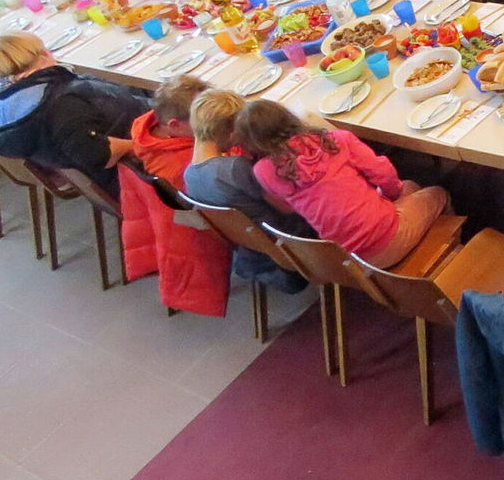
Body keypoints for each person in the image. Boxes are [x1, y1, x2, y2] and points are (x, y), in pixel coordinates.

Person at [236, 100, 449, 269]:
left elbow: (290, 207)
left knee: (409, 187)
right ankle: (448, 252)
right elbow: (384, 174)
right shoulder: (335, 140)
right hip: (387, 239)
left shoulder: (263, 171)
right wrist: (392, 195)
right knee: (438, 193)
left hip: (349, 256)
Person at [0, 32, 148, 194]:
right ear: (42, 55)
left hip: (105, 178)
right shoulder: (60, 100)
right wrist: (143, 145)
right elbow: (98, 155)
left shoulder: (11, 105)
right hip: (138, 172)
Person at [120, 76, 234, 316]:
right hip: (223, 225)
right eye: (203, 119)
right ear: (174, 125)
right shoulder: (186, 167)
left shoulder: (146, 130)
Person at [183, 89, 310, 293]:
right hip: (291, 241)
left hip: (256, 248)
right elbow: (286, 207)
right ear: (230, 132)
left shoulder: (189, 176)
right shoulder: (235, 168)